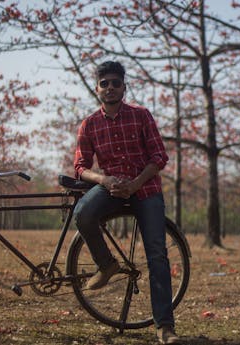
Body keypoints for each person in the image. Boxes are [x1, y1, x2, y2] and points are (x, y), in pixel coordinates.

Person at [73, 61, 180, 345]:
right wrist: (104, 180)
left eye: (115, 83)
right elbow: (81, 167)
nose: (110, 87)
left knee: (157, 254)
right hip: (111, 187)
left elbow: (159, 157)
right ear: (97, 89)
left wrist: (135, 184)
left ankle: (165, 327)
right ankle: (106, 265)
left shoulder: (141, 115)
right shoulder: (89, 124)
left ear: (124, 86)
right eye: (104, 83)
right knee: (82, 213)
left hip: (145, 189)